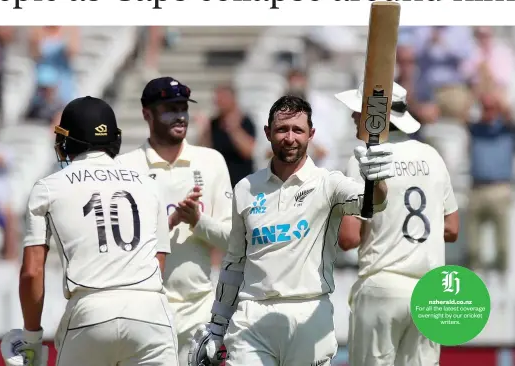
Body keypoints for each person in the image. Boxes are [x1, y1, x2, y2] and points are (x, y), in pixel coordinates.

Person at [188, 95, 395, 366]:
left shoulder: (328, 183)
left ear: (311, 134)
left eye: (297, 130)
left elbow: (374, 202)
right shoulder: (246, 188)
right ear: (267, 133)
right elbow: (234, 262)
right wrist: (217, 324)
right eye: (282, 130)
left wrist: (376, 179)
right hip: (253, 316)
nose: (289, 137)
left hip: (308, 313)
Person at [0, 96, 177, 366]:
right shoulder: (149, 184)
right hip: (151, 313)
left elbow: (32, 271)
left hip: (90, 313)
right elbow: (158, 261)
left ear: (68, 140)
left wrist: (32, 339)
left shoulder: (48, 187)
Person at [334, 82, 460, 366]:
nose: (353, 117)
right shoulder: (432, 156)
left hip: (382, 286)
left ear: (375, 116)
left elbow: (349, 238)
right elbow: (452, 228)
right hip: (429, 292)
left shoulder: (365, 159)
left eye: (358, 111)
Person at [115, 76, 233, 366]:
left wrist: (197, 220)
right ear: (146, 114)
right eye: (169, 108)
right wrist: (165, 224)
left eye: (183, 107)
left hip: (200, 310)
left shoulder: (211, 161)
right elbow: (119, 247)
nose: (180, 115)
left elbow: (233, 241)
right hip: (145, 309)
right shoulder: (124, 168)